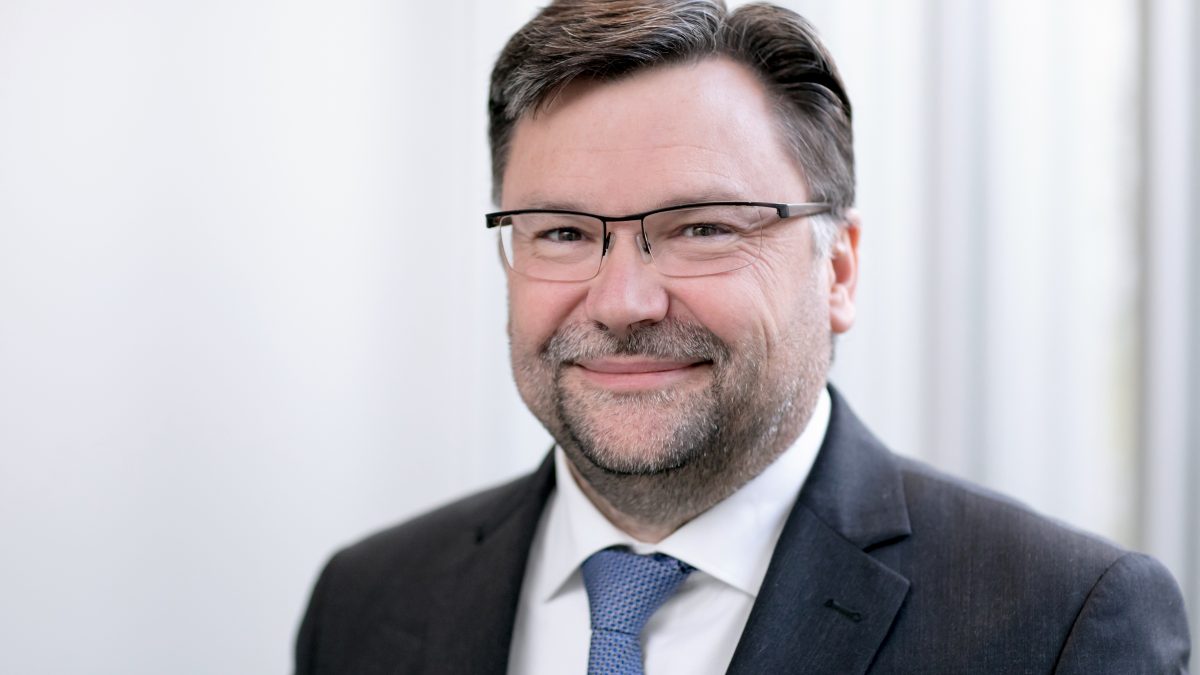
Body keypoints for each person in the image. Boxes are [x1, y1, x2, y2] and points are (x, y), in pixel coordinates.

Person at [294, 1, 1192, 673]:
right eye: (562, 232)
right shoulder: (367, 602)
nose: (623, 301)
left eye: (702, 228)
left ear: (838, 269)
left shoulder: (1061, 625)